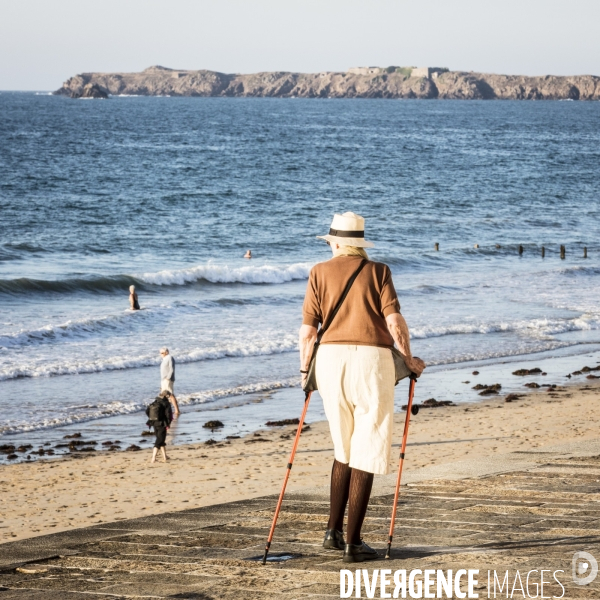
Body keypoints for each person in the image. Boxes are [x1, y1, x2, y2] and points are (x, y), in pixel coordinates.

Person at [299, 211, 425, 563]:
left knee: (343, 445)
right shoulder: (379, 271)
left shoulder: (318, 272)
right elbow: (395, 323)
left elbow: (308, 332)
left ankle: (332, 532)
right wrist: (409, 358)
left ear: (336, 243)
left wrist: (304, 369)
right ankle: (354, 543)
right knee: (367, 446)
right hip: (372, 363)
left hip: (330, 362)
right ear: (359, 244)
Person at [146, 390, 173, 463]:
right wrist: (168, 424)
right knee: (159, 441)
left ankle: (165, 457)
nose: (170, 398)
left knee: (161, 439)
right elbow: (169, 415)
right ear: (167, 396)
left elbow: (147, 411)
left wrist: (152, 419)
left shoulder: (155, 402)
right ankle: (153, 458)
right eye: (169, 396)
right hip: (162, 424)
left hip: (154, 423)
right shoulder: (166, 403)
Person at [159, 348, 180, 415]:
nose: (161, 354)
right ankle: (168, 410)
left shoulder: (169, 357)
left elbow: (171, 368)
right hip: (164, 379)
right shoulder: (164, 359)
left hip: (168, 379)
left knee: (170, 394)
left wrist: (168, 377)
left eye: (162, 353)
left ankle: (177, 410)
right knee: (164, 395)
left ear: (166, 352)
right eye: (160, 353)